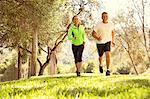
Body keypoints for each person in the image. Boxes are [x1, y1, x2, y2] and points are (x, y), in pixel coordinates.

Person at [92, 12, 115, 76]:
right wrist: (97, 37)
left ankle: (108, 70)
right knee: (100, 56)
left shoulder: (111, 24)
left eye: (106, 16)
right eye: (103, 16)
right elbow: (93, 33)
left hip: (108, 41)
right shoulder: (98, 24)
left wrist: (113, 41)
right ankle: (100, 65)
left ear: (108, 17)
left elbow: (113, 32)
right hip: (100, 42)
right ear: (101, 17)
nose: (105, 17)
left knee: (108, 54)